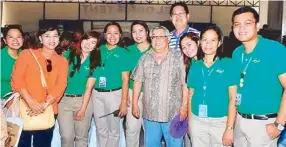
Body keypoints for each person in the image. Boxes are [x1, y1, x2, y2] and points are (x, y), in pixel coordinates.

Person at [231, 6, 286, 147]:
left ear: (257, 25)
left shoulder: (275, 49)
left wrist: (279, 125)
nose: (241, 28)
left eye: (247, 23)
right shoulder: (237, 53)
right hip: (240, 121)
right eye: (237, 24)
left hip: (264, 124)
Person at [11, 24, 68, 147]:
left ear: (59, 39)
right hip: (25, 107)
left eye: (55, 36)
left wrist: (44, 105)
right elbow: (17, 79)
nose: (51, 39)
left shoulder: (62, 61)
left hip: (48, 109)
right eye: (47, 36)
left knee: (43, 144)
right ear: (40, 39)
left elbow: (61, 85)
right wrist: (30, 102)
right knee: (22, 143)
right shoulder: (27, 54)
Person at [132, 26, 188, 147]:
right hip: (150, 114)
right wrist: (135, 103)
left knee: (175, 145)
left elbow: (185, 84)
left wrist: (184, 106)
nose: (156, 40)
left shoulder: (179, 57)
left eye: (160, 36)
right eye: (154, 37)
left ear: (168, 38)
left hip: (174, 114)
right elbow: (137, 80)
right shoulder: (144, 58)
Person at [187, 25, 236, 147]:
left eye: (213, 40)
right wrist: (189, 122)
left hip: (220, 122)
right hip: (197, 120)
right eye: (204, 40)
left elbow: (233, 98)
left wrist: (230, 128)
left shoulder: (228, 64)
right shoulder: (195, 66)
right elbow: (190, 96)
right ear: (200, 42)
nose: (208, 44)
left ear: (219, 43)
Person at [58, 30, 101, 147]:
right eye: (86, 40)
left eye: (93, 42)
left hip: (83, 101)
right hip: (64, 101)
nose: (88, 44)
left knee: (81, 138)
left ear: (96, 46)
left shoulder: (95, 62)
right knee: (66, 137)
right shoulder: (68, 55)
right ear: (81, 40)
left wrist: (83, 108)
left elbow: (88, 88)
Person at [90, 21, 130, 147]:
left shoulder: (124, 53)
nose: (112, 36)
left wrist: (123, 103)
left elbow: (125, 79)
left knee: (114, 130)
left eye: (116, 33)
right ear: (104, 34)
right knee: (101, 129)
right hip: (96, 95)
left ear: (120, 35)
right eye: (109, 33)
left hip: (115, 95)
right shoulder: (97, 51)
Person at [125, 20, 151, 147]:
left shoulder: (156, 49)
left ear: (147, 32)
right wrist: (124, 96)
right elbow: (123, 76)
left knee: (151, 131)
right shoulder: (128, 51)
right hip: (132, 93)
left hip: (151, 95)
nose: (138, 34)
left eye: (141, 30)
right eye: (134, 31)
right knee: (131, 129)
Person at [179, 32, 199, 146]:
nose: (187, 49)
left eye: (189, 44)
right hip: (192, 110)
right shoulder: (189, 64)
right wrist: (184, 107)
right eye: (183, 47)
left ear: (198, 42)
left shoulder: (208, 62)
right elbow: (187, 88)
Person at [1, 25, 24, 107]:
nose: (15, 40)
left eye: (19, 37)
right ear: (5, 40)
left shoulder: (27, 56)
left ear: (23, 39)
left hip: (22, 101)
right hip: (2, 101)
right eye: (11, 37)